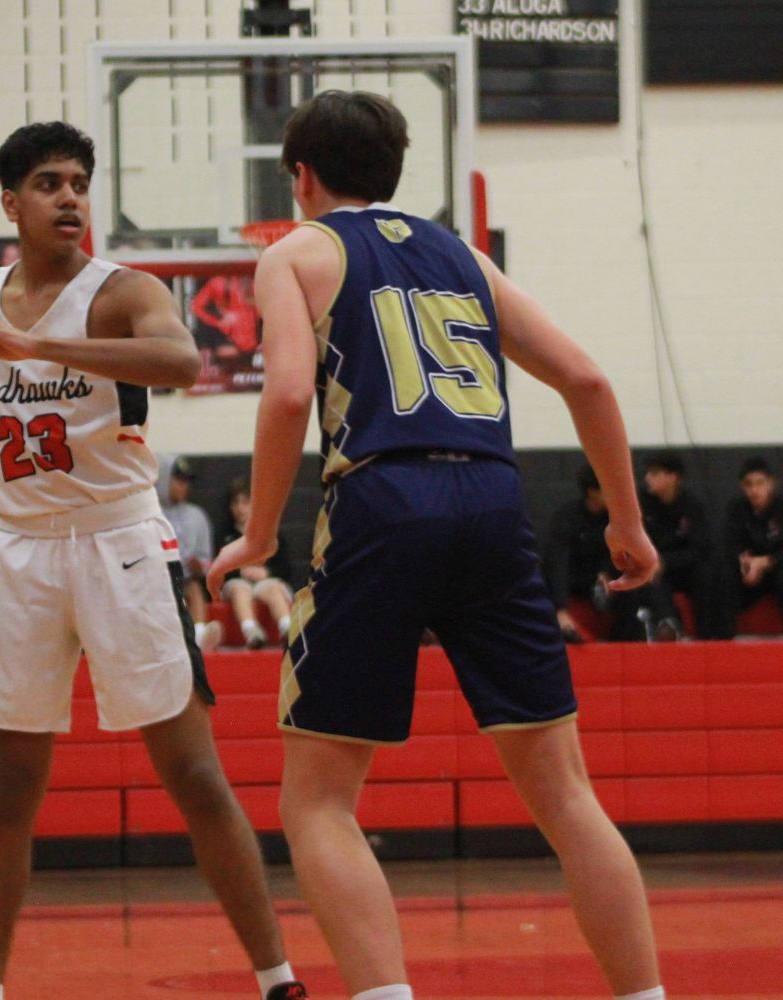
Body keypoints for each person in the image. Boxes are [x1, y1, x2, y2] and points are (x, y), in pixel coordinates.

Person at [208, 91, 664, 1000]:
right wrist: (626, 520)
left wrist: (258, 534)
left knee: (320, 800)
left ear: (299, 175)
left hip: (381, 497)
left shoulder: (295, 253)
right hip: (494, 500)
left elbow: (291, 396)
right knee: (567, 795)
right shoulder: (464, 256)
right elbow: (588, 377)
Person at [0, 121, 306, 1000]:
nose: (69, 197)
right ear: (10, 203)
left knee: (192, 772)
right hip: (20, 551)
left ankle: (277, 979)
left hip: (121, 544)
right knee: (11, 787)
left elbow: (182, 360)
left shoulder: (121, 291)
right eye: (48, 183)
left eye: (78, 183)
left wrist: (42, 348)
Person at [549, 465, 676, 644]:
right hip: (578, 579)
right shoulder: (567, 518)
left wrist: (606, 572)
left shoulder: (615, 517)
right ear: (592, 492)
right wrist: (560, 608)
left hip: (608, 575)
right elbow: (558, 563)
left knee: (637, 580)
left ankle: (663, 623)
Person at [722, 457, 783, 669]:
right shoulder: (736, 509)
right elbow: (729, 544)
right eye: (749, 485)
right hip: (749, 573)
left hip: (777, 568)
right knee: (722, 574)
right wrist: (745, 563)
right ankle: (725, 641)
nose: (754, 490)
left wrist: (765, 562)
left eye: (760, 483)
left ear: (771, 484)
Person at [641, 451, 725, 639]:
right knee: (649, 577)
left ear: (673, 477)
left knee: (706, 574)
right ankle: (668, 625)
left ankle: (707, 637)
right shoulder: (642, 504)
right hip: (656, 569)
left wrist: (666, 561)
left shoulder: (693, 506)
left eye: (654, 473)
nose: (647, 478)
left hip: (684, 567)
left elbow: (700, 549)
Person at [216, 476, 294, 649]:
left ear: (254, 504)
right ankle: (251, 631)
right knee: (239, 589)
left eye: (245, 503)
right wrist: (240, 572)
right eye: (235, 503)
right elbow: (219, 570)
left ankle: (287, 627)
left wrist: (267, 572)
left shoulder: (270, 532)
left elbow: (286, 567)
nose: (240, 509)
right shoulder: (226, 535)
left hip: (265, 583)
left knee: (273, 589)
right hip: (237, 583)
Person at [159, 454, 222, 651]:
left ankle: (199, 635)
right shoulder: (150, 514)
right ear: (164, 479)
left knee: (193, 588)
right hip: (155, 578)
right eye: (178, 480)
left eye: (186, 481)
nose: (184, 486)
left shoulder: (197, 516)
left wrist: (199, 567)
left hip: (185, 578)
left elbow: (206, 561)